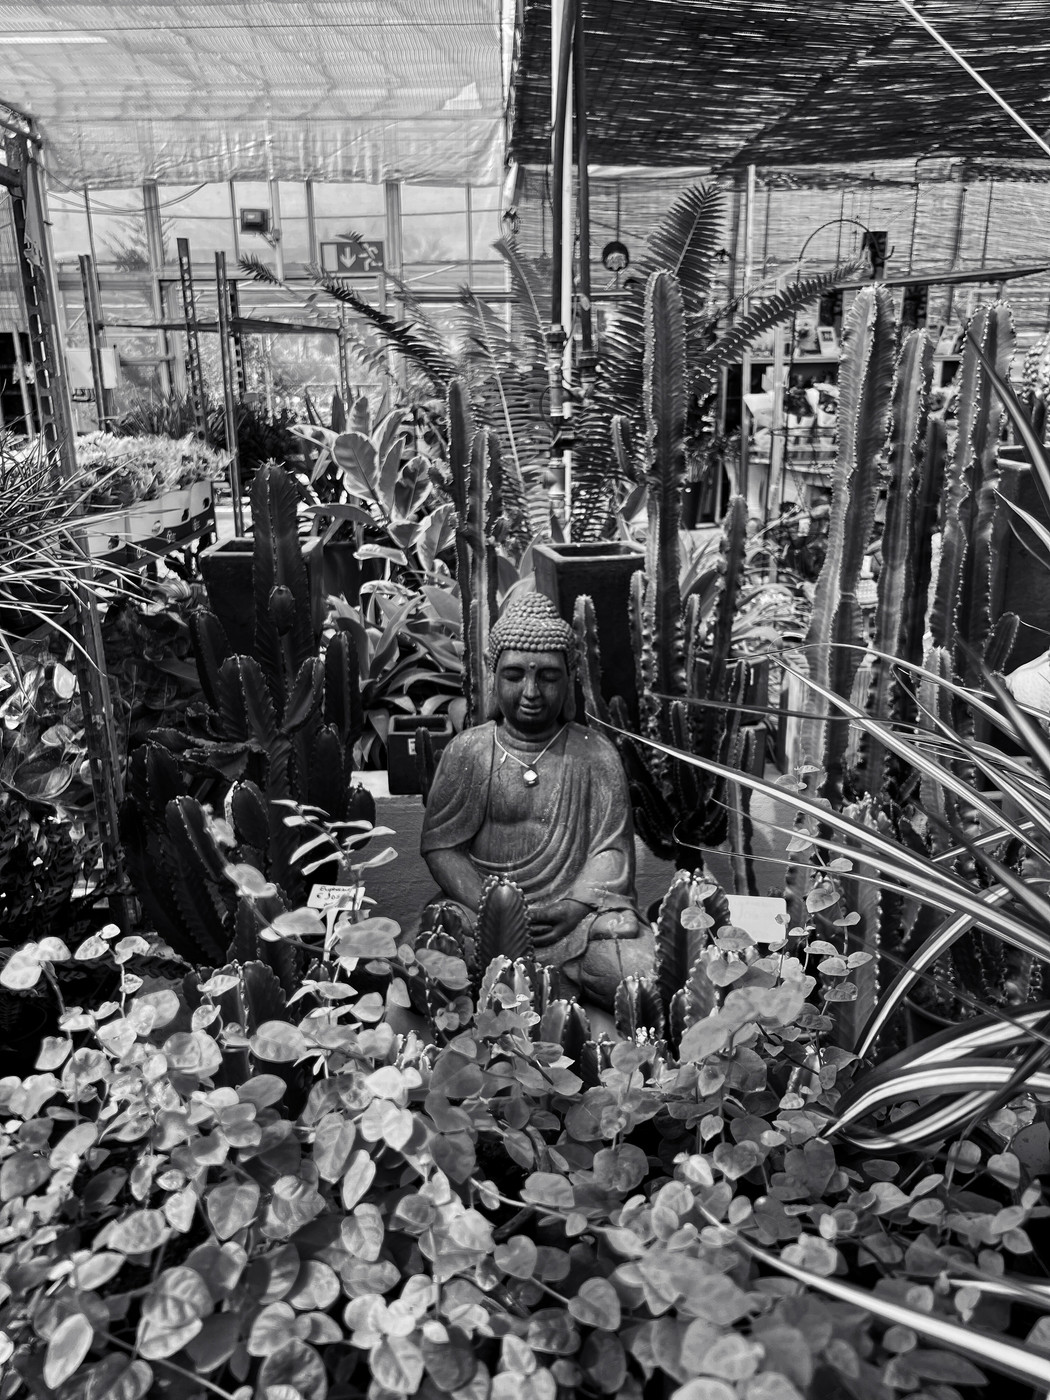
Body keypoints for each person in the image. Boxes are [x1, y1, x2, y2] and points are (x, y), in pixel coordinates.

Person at [420, 593, 654, 1009]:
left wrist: (572, 906)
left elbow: (610, 851)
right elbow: (443, 848)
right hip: (484, 915)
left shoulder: (595, 754)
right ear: (494, 679)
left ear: (569, 681)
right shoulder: (470, 751)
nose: (531, 691)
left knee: (640, 979)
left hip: (574, 924)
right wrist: (498, 912)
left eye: (547, 676)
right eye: (514, 675)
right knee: (425, 967)